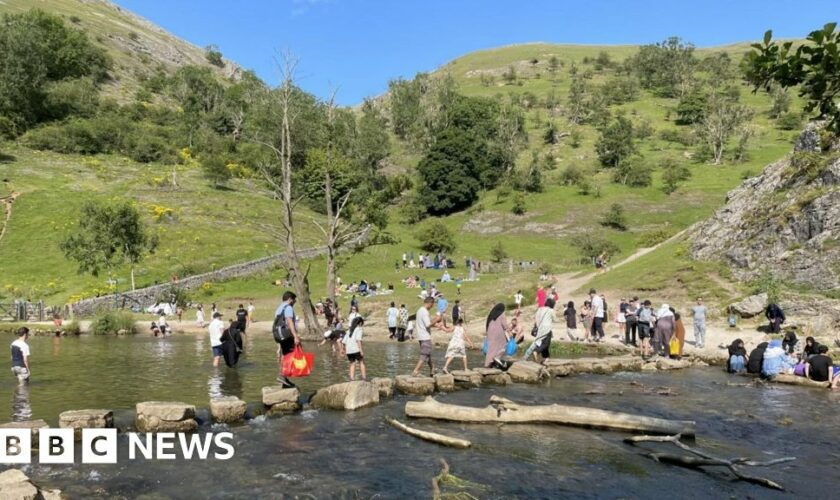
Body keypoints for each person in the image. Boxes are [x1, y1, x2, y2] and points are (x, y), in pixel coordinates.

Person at [274, 291, 301, 387]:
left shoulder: (279, 308)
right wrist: (295, 336)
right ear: (290, 299)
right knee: (290, 355)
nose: (295, 302)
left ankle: (284, 379)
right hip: (287, 335)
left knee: (285, 355)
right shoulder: (288, 307)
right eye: (294, 300)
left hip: (280, 335)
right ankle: (282, 375)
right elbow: (289, 322)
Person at [412, 296, 441, 377]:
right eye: (432, 305)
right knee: (424, 354)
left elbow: (425, 323)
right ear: (430, 303)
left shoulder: (419, 310)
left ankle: (432, 369)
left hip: (420, 336)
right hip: (425, 336)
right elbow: (428, 325)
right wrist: (437, 319)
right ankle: (415, 371)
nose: (432, 307)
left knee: (428, 354)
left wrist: (436, 325)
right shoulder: (425, 312)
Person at [484, 303, 509, 368]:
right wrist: (509, 329)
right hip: (499, 333)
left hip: (490, 333)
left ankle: (488, 364)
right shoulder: (502, 314)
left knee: (491, 348)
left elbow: (487, 324)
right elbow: (505, 325)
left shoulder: (491, 314)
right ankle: (497, 358)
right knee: (503, 346)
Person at [343, 316, 367, 381]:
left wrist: (344, 350)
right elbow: (358, 340)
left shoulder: (348, 330)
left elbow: (344, 342)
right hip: (356, 349)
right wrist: (361, 351)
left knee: (352, 363)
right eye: (361, 323)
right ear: (360, 323)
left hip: (349, 350)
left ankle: (352, 379)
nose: (362, 325)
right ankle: (364, 378)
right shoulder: (359, 329)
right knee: (361, 362)